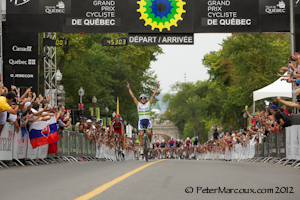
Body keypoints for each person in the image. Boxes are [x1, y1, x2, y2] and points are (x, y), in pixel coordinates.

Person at [127, 81, 160, 155]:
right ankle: (142, 148)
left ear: (146, 99)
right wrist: (129, 88)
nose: (143, 99)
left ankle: (150, 143)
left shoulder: (148, 104)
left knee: (149, 132)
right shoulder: (138, 105)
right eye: (142, 99)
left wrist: (156, 87)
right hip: (141, 121)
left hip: (147, 121)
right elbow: (133, 97)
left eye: (144, 98)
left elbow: (153, 95)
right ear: (140, 99)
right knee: (141, 134)